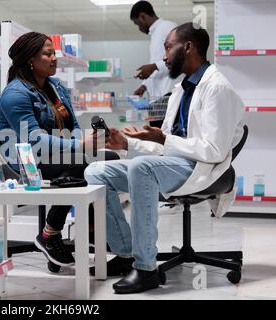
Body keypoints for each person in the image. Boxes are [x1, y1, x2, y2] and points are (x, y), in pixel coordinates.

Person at [84, 22, 245, 294]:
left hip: (204, 169)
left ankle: (146, 269)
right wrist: (127, 143)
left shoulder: (217, 87)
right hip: (176, 164)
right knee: (97, 172)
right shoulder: (182, 90)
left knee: (141, 168)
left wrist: (162, 138)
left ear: (189, 47)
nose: (164, 56)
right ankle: (125, 254)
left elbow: (214, 151)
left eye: (169, 47)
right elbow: (165, 149)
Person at [0, 32, 119, 268]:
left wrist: (88, 143)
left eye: (54, 53)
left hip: (58, 153)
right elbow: (35, 141)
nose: (54, 58)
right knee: (82, 165)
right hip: (28, 162)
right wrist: (80, 147)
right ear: (30, 59)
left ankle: (91, 231)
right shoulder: (14, 95)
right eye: (47, 53)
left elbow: (72, 126)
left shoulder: (55, 87)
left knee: (109, 159)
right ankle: (50, 234)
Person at [131, 1, 179, 99]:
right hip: (158, 98)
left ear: (142, 17)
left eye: (137, 23)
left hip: (170, 93)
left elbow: (179, 56)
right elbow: (157, 65)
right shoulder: (155, 34)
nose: (139, 28)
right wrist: (144, 86)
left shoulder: (168, 27)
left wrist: (154, 66)